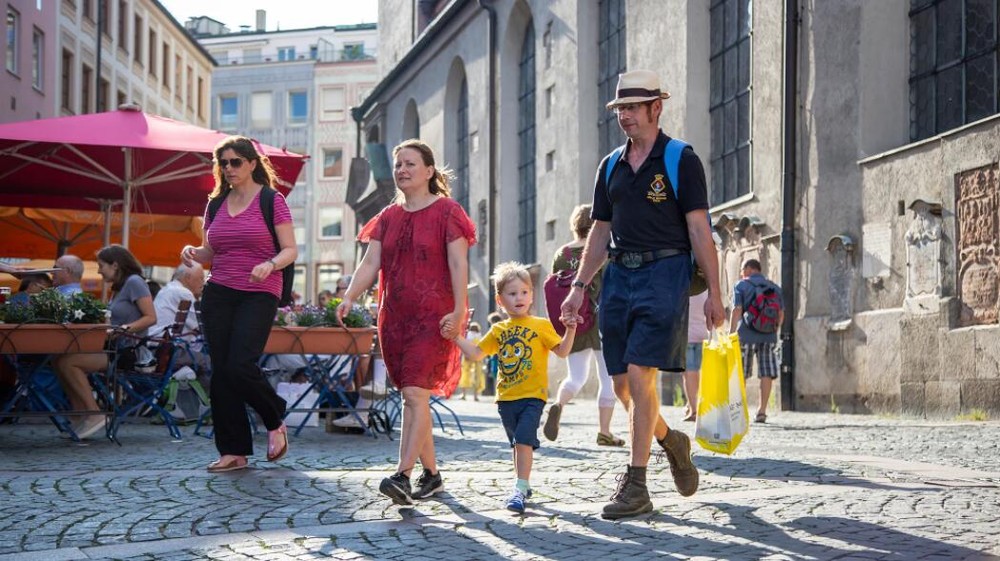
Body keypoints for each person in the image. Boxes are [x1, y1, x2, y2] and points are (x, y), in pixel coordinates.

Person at [561, 69, 725, 520]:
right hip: (617, 277)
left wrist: (715, 292)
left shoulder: (680, 159)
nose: (626, 116)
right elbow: (599, 231)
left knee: (639, 375)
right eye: (620, 109)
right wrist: (578, 287)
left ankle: (636, 486)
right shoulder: (610, 165)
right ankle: (672, 440)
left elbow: (699, 230)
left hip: (665, 273)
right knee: (621, 385)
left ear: (656, 107)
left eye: (634, 108)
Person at [335, 139, 476, 505]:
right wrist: (350, 296)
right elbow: (370, 263)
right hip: (395, 317)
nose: (402, 170)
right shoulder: (388, 217)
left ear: (430, 171)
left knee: (415, 393)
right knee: (414, 396)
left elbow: (460, 264)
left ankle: (402, 475)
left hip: (435, 317)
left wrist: (460, 310)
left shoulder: (448, 212)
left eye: (410, 164)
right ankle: (432, 475)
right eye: (398, 164)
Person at [181, 135, 298, 473]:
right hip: (219, 291)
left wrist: (270, 264)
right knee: (221, 372)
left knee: (239, 363)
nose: (229, 168)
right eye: (223, 163)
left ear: (251, 163)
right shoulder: (215, 204)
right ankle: (233, 451)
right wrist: (193, 253)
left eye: (235, 162)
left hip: (260, 290)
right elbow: (210, 251)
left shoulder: (271, 201)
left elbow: (290, 249)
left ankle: (274, 415)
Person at [449, 262, 577, 514]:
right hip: (505, 399)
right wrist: (456, 337)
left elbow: (562, 352)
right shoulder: (498, 330)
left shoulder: (541, 325)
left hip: (533, 397)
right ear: (500, 300)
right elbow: (476, 354)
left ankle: (519, 489)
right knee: (517, 445)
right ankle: (524, 482)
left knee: (522, 441)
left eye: (524, 292)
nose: (519, 298)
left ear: (531, 295)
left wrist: (570, 330)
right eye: (512, 293)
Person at [53, 245, 157, 440]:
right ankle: (79, 416)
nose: (99, 271)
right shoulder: (118, 288)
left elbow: (151, 317)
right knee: (58, 359)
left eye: (101, 266)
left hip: (128, 352)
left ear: (115, 265)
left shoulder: (135, 282)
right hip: (113, 348)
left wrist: (121, 329)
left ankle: (94, 414)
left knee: (68, 362)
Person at [542, 204, 624, 447]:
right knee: (606, 378)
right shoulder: (604, 250)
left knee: (575, 376)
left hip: (574, 320)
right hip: (602, 318)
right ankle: (605, 431)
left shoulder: (562, 253)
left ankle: (558, 404)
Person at [729, 258, 784, 423]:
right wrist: (774, 329)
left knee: (741, 374)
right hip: (768, 336)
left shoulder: (741, 285)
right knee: (766, 372)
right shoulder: (774, 287)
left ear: (748, 269)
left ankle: (739, 412)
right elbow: (781, 313)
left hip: (745, 335)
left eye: (741, 270)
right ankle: (762, 411)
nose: (741, 273)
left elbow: (737, 309)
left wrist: (731, 333)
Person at [149, 263, 207, 370]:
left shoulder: (168, 289)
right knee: (210, 363)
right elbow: (203, 326)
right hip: (166, 353)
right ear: (188, 278)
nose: (203, 283)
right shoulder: (183, 293)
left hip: (155, 349)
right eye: (201, 278)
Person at [682, 291, 709, 422]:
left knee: (689, 372)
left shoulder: (682, 288)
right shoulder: (705, 290)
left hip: (686, 335)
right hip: (703, 334)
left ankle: (694, 410)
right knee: (698, 372)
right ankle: (691, 404)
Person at [457, 321, 485, 401]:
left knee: (465, 375)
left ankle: (463, 394)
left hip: (467, 357)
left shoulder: (467, 335)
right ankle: (475, 396)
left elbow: (464, 346)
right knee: (477, 376)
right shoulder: (480, 336)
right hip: (477, 358)